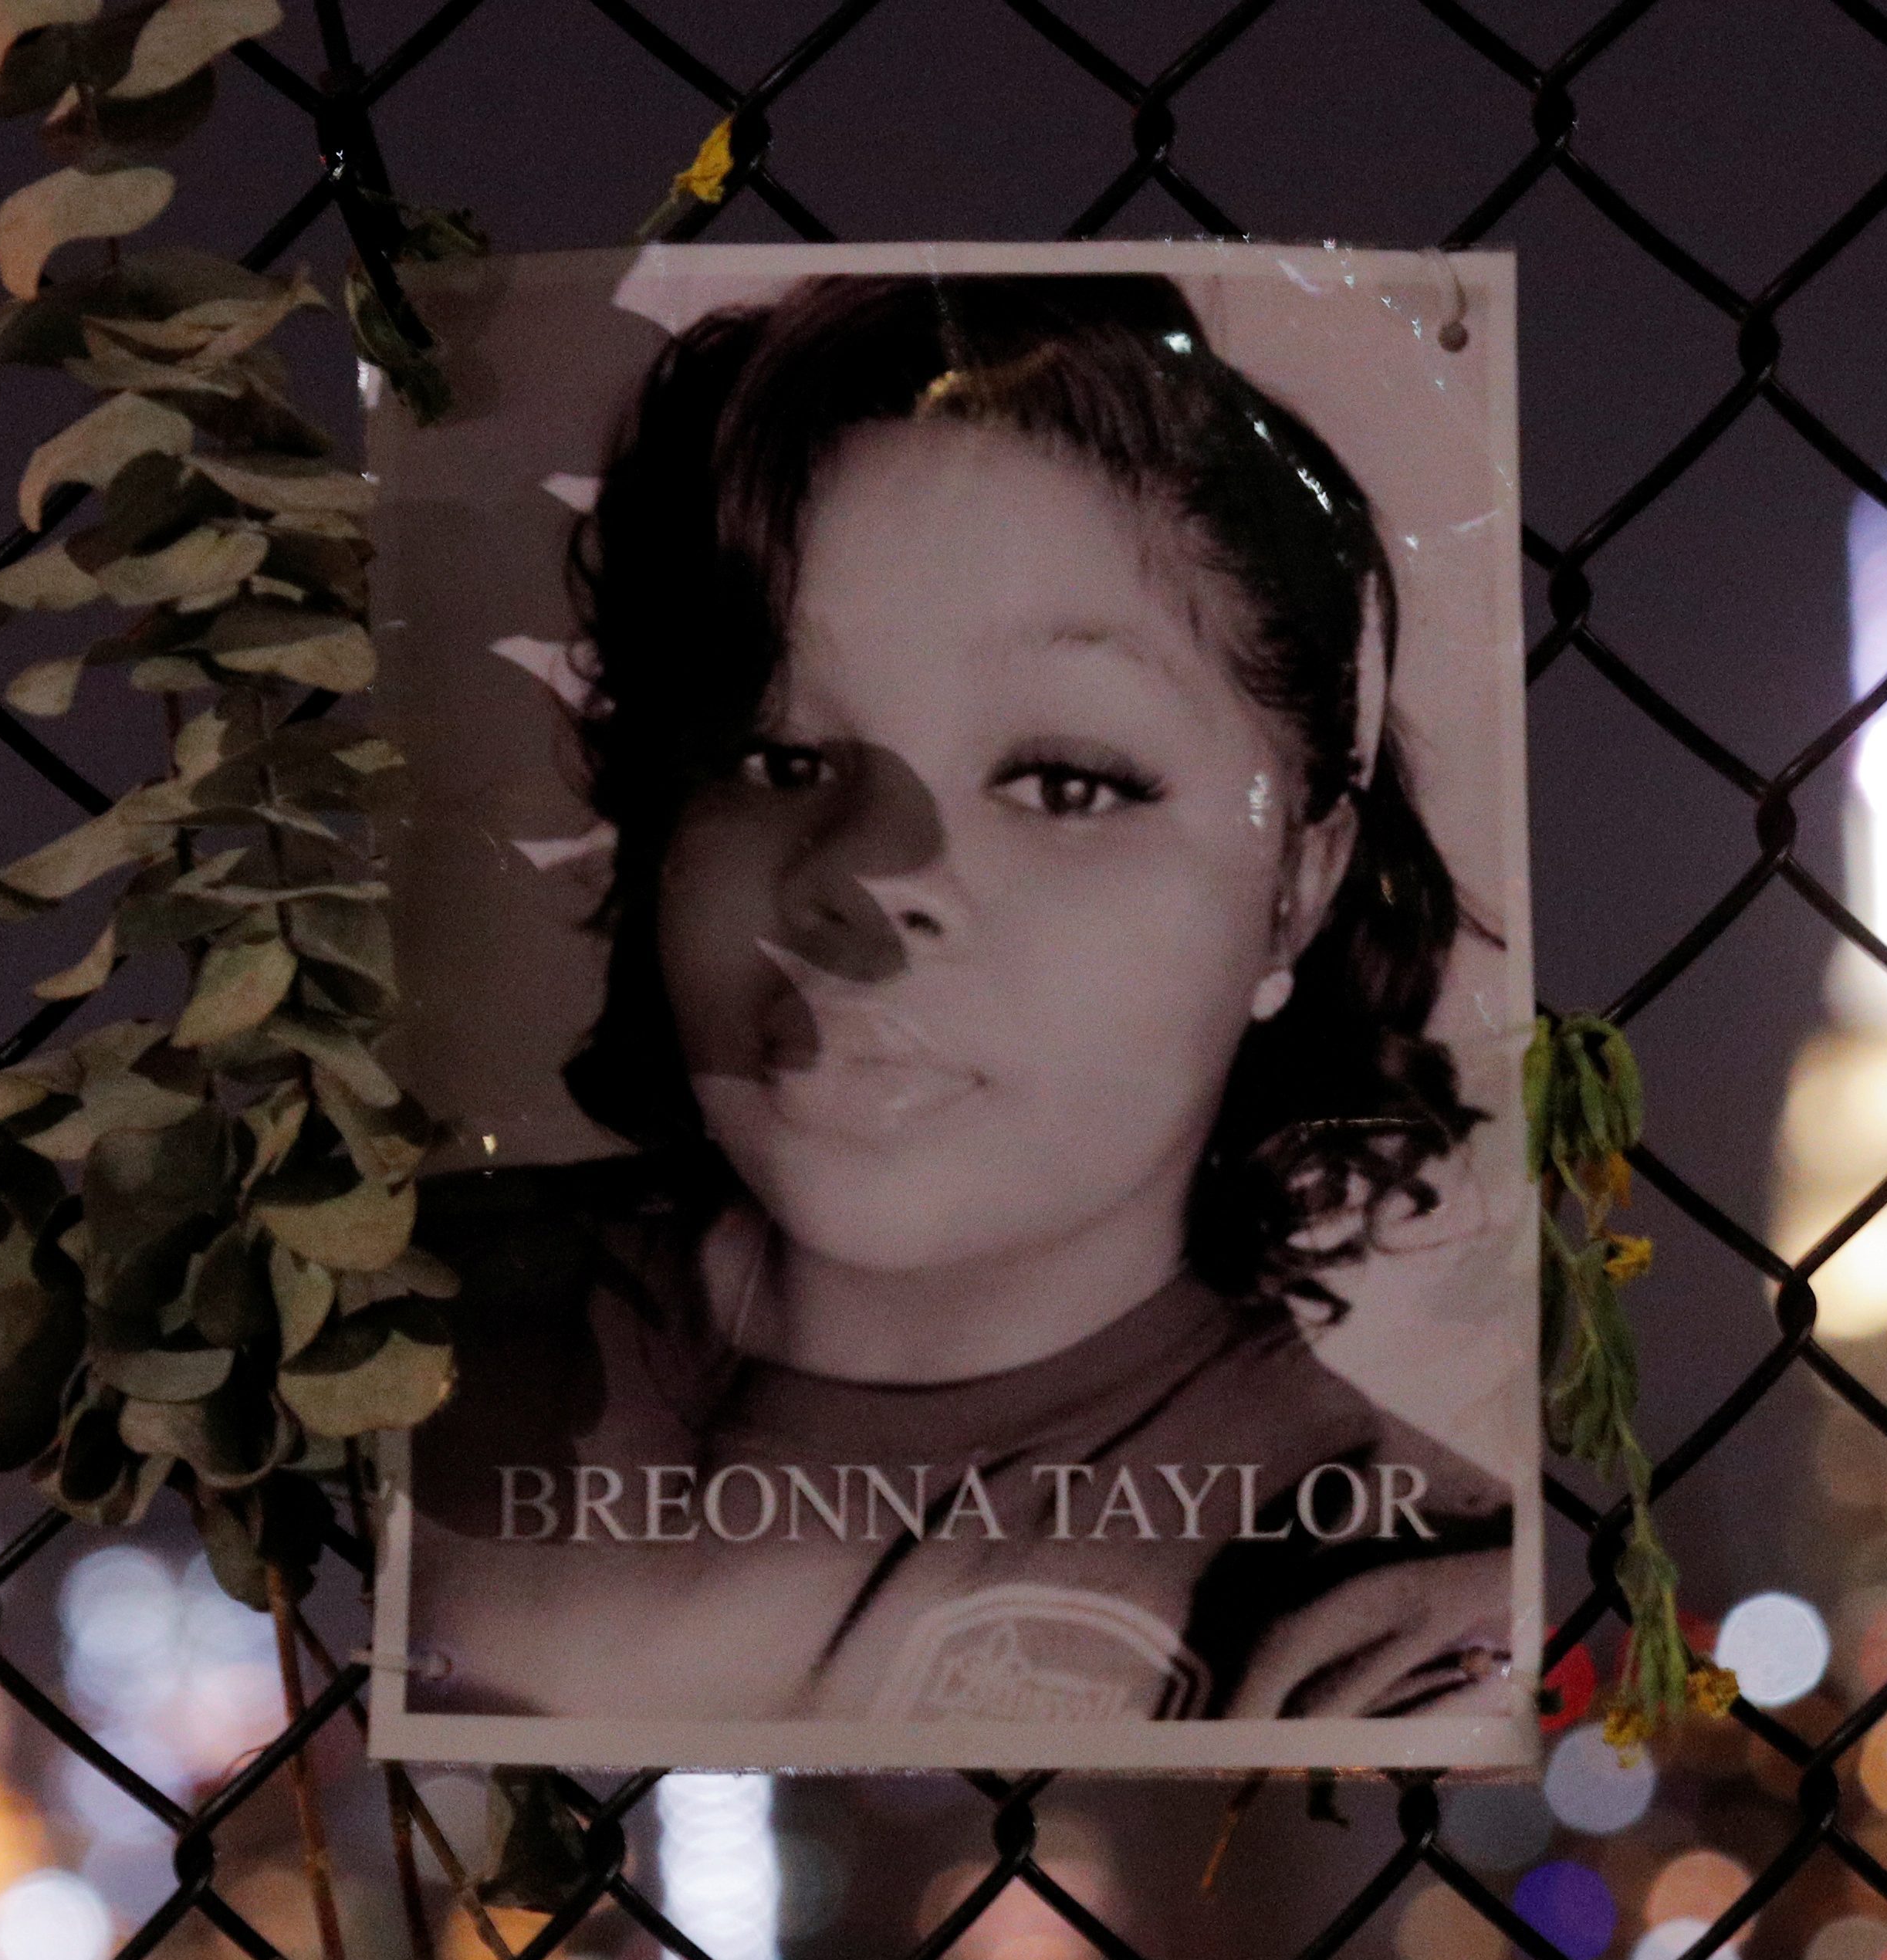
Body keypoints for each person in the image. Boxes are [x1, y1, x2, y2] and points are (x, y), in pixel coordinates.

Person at [404, 272, 1517, 1729]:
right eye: (776, 754)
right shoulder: (376, 1320)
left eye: (1065, 781)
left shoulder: (1394, 1602)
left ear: (1298, 883)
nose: (872, 877)